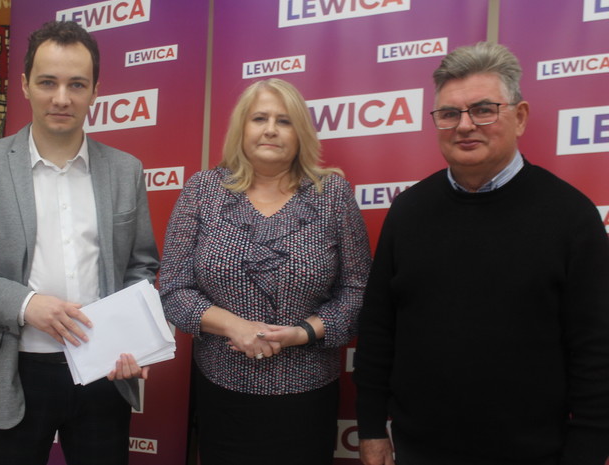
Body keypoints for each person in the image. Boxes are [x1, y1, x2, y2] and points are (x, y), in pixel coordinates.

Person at [353, 41, 609, 465]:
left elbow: (596, 351)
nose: (465, 126)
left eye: (483, 110)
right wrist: (371, 428)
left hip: (534, 454)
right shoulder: (408, 211)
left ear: (519, 117)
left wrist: (588, 451)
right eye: (449, 114)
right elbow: (379, 329)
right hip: (419, 451)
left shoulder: (571, 216)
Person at [0, 20, 159, 465]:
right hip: (13, 372)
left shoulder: (126, 170)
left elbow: (141, 265)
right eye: (48, 82)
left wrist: (132, 339)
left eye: (76, 84)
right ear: (25, 85)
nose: (62, 98)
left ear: (95, 90)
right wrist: (26, 304)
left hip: (103, 372)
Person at [159, 78, 372, 465]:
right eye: (260, 118)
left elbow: (358, 292)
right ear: (242, 128)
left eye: (284, 120)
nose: (271, 129)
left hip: (307, 397)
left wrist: (303, 333)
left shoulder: (333, 195)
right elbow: (174, 288)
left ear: (300, 132)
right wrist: (233, 326)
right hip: (222, 393)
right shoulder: (202, 190)